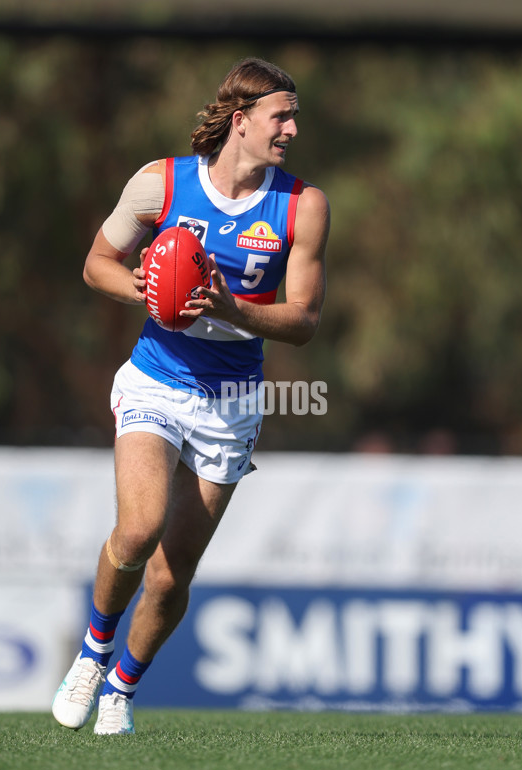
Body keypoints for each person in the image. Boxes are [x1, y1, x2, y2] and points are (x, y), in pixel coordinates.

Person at [52, 56, 330, 735]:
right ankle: (93, 651)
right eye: (280, 116)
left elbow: (303, 321)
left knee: (173, 576)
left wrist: (231, 309)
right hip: (156, 377)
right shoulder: (161, 184)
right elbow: (96, 263)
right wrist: (152, 293)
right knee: (139, 528)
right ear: (242, 122)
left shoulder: (302, 206)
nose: (292, 128)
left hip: (231, 401)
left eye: (293, 116)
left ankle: (121, 688)